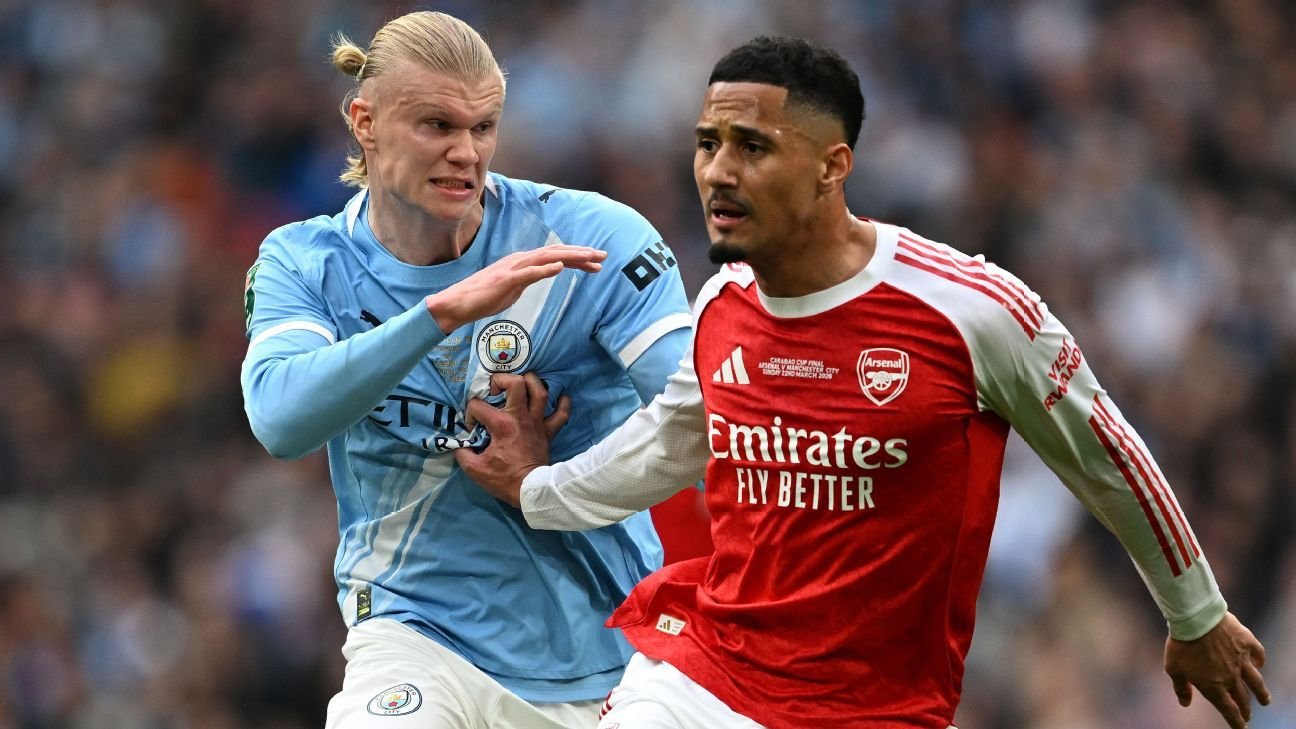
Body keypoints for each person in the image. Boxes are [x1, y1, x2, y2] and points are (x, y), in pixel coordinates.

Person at [455, 36, 1272, 729]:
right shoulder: (724, 304)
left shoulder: (971, 310)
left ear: (831, 166)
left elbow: (1107, 456)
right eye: (708, 143)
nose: (718, 172)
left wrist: (1196, 613)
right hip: (706, 678)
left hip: (876, 708)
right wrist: (536, 490)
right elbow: (669, 442)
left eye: (752, 147)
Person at [239, 11, 696, 728]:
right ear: (365, 122)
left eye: (483, 128)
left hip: (605, 647)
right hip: (413, 632)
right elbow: (280, 418)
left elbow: (702, 427)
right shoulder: (306, 261)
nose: (466, 152)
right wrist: (439, 314)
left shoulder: (590, 242)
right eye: (438, 126)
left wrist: (547, 487)